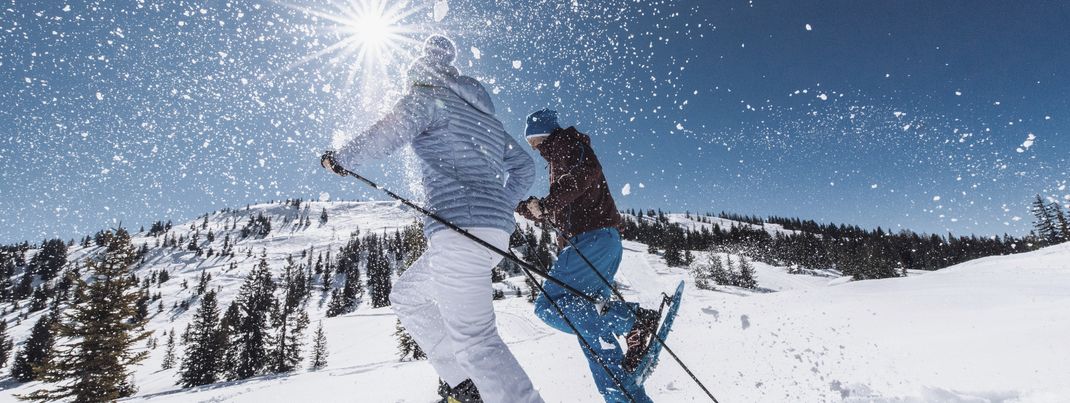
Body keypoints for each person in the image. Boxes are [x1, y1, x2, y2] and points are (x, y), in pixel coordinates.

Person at [321, 35, 543, 403]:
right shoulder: (486, 117)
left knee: (477, 342)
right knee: (408, 296)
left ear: (422, 68)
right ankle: (462, 383)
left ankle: (481, 383)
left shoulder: (428, 97)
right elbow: (523, 166)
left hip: (460, 232)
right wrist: (500, 205)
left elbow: (388, 134)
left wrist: (341, 158)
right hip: (489, 235)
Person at [516, 109, 659, 403]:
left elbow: (585, 174)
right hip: (599, 241)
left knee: (550, 306)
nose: (533, 149)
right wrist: (528, 207)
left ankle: (631, 322)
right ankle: (622, 392)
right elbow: (565, 200)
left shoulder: (566, 143)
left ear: (541, 134)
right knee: (585, 320)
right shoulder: (560, 154)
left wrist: (547, 203)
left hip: (592, 240)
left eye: (532, 141)